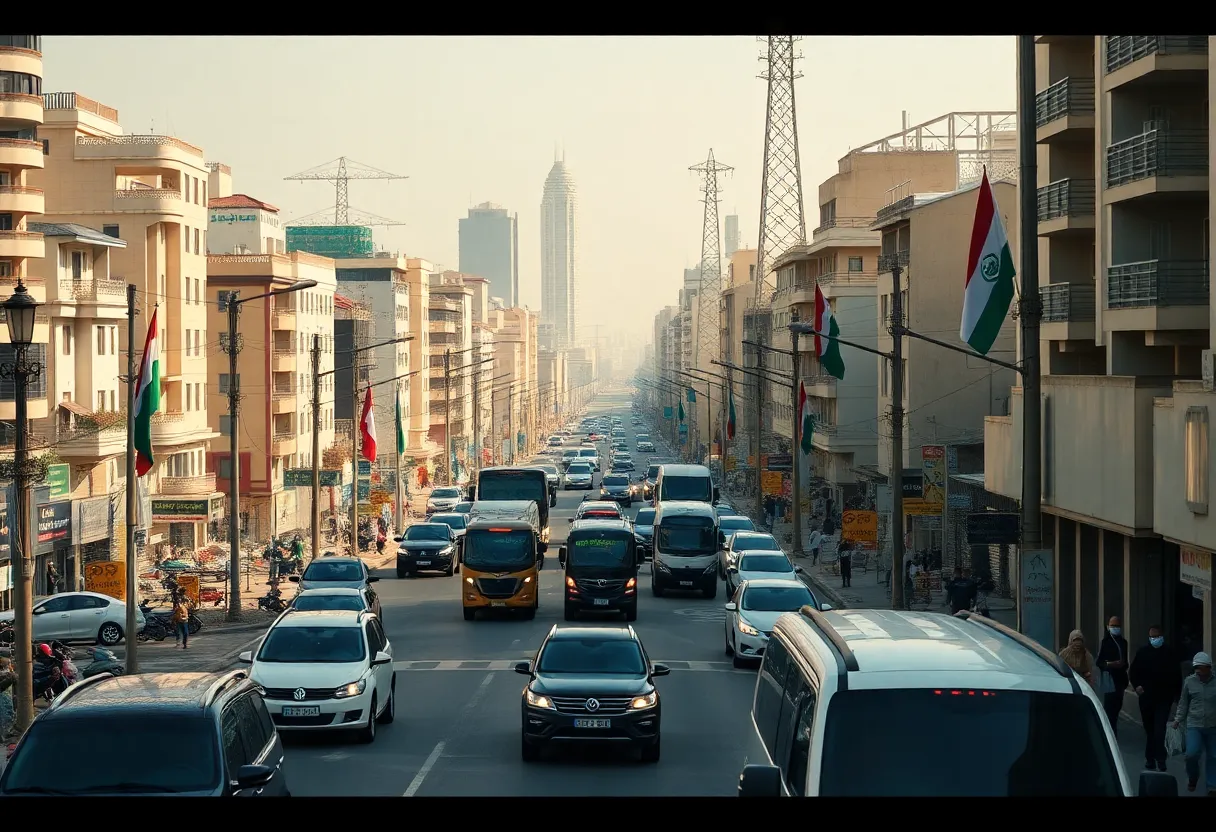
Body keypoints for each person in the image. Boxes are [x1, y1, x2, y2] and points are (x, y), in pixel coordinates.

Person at [1129, 624, 1182, 773]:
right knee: (1150, 730)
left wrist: (1177, 696)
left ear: (1162, 637)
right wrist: (1137, 686)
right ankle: (1150, 759)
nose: (1155, 639)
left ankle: (1161, 759)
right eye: (1152, 637)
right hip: (1146, 699)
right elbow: (1133, 672)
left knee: (1159, 730)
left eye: (1157, 636)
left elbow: (1177, 675)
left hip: (1164, 699)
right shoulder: (1143, 652)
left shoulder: (1169, 653)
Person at [1173, 652, 1216, 794]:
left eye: (1201, 667)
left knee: (1214, 756)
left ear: (1209, 667)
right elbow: (1183, 702)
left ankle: (1212, 786)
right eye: (1196, 667)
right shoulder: (1189, 681)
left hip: (1213, 725)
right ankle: (1193, 777)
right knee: (1191, 754)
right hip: (1194, 724)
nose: (1197, 670)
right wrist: (1178, 719)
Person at [1095, 615, 1130, 735]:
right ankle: (1110, 733)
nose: (1115, 628)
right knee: (1109, 708)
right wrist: (1110, 664)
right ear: (1108, 627)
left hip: (1120, 680)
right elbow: (1099, 662)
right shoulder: (1105, 642)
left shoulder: (1123, 642)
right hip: (1109, 679)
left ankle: (1112, 729)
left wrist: (1122, 665)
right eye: (1112, 625)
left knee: (1117, 706)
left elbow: (1126, 662)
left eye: (1117, 626)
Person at [0, 656, 15, 740]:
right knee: (5, 715)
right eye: (8, 663)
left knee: (8, 714)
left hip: (8, 697)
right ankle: (4, 734)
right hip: (4, 698)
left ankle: (5, 733)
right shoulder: (8, 674)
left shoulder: (8, 673)